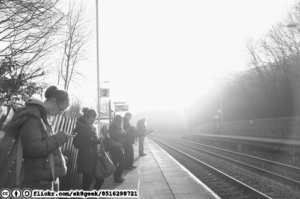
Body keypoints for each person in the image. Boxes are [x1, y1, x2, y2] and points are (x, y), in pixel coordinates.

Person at [2, 86, 73, 190]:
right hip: (39, 182)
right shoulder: (33, 117)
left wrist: (59, 158)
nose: (60, 113)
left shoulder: (41, 117)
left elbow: (45, 145)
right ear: (53, 101)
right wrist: (60, 138)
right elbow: (34, 148)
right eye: (61, 109)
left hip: (43, 177)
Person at [73, 108, 105, 190]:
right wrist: (91, 140)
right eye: (91, 120)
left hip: (93, 158)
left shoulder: (91, 127)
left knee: (100, 179)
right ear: (85, 118)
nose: (93, 122)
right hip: (85, 159)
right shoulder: (79, 128)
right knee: (86, 183)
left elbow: (93, 140)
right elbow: (77, 144)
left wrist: (98, 140)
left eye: (94, 120)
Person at [108, 115, 125, 183]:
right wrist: (120, 134)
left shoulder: (120, 127)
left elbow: (121, 137)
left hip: (119, 146)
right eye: (120, 120)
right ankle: (116, 178)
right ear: (118, 120)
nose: (121, 121)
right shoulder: (112, 127)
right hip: (114, 146)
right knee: (115, 163)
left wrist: (123, 134)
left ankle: (119, 176)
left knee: (122, 162)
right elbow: (112, 137)